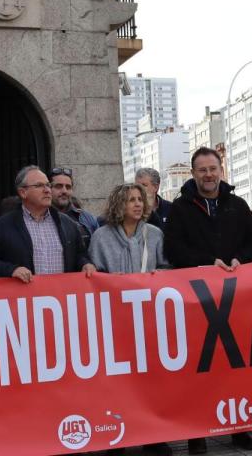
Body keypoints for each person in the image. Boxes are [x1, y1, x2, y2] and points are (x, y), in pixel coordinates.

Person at [163, 147, 252, 453]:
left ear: (221, 170)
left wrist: (240, 259)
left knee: (236, 366)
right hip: (197, 300)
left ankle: (240, 427)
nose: (208, 174)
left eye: (212, 168)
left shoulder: (238, 205)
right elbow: (173, 250)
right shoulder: (180, 209)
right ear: (193, 173)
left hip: (235, 298)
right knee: (200, 368)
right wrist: (209, 262)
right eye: (202, 169)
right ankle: (197, 433)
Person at [92, 183, 171, 456]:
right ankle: (118, 437)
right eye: (130, 200)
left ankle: (154, 437)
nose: (137, 204)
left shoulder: (155, 234)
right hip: (114, 321)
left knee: (151, 380)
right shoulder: (100, 237)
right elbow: (93, 276)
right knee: (118, 383)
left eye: (140, 199)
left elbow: (167, 268)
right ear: (118, 205)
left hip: (149, 320)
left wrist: (159, 275)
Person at [0, 166, 97, 282]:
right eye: (39, 185)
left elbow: (80, 255)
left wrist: (85, 264)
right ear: (23, 192)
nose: (47, 190)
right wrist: (11, 270)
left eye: (48, 185)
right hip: (23, 293)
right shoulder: (3, 225)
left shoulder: (67, 224)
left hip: (60, 293)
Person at [50, 167, 100, 246]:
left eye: (68, 187)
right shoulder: (40, 218)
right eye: (59, 186)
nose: (64, 191)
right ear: (48, 189)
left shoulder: (87, 219)